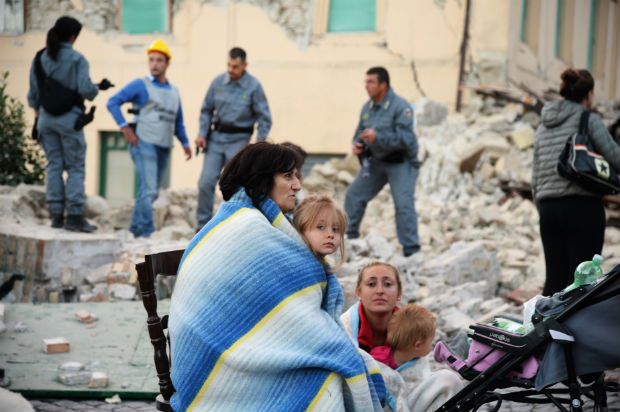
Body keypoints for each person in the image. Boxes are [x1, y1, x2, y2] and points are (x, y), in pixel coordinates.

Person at [168, 142, 385, 411]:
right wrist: (336, 349)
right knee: (329, 379)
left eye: (297, 176)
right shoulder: (249, 228)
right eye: (288, 176)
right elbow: (290, 312)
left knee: (338, 365)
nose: (297, 185)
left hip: (207, 357)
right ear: (262, 179)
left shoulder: (236, 218)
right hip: (215, 363)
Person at [532, 68, 620, 296]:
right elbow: (614, 156)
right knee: (582, 285)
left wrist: (543, 207)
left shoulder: (543, 126)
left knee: (554, 283)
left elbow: (535, 176)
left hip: (548, 210)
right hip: (582, 209)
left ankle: (545, 320)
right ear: (588, 95)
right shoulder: (588, 119)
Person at [27, 16, 112, 232]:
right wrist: (96, 88)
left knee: (54, 165)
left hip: (45, 120)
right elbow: (85, 90)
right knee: (75, 166)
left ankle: (56, 215)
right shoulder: (77, 59)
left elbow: (33, 95)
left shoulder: (40, 58)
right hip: (69, 120)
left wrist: (38, 117)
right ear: (73, 37)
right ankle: (74, 216)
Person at [106, 39, 192, 238]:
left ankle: (136, 229)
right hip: (143, 143)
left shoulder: (174, 92)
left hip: (164, 145)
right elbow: (112, 102)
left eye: (159, 60)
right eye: (151, 60)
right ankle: (146, 230)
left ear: (167, 63)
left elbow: (177, 121)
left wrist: (185, 142)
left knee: (147, 190)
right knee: (150, 190)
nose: (154, 64)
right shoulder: (140, 85)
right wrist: (124, 127)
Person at [344, 66, 420, 257]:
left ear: (383, 85)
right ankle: (349, 240)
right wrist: (358, 145)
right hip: (377, 162)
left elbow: (406, 140)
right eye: (366, 81)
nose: (366, 86)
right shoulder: (367, 108)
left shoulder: (401, 107)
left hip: (401, 162)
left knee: (403, 204)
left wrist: (378, 137)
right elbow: (359, 134)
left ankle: (411, 250)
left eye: (371, 82)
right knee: (353, 196)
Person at [195, 47, 272, 230]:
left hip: (240, 140)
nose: (230, 69)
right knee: (206, 182)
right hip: (216, 138)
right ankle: (202, 226)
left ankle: (234, 225)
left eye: (235, 66)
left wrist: (258, 143)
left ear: (245, 65)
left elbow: (264, 118)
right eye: (229, 65)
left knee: (236, 185)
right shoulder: (218, 82)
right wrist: (202, 133)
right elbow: (206, 110)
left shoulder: (254, 86)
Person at [370, 304, 463, 412]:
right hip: (401, 404)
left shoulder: (412, 357)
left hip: (411, 398)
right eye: (430, 341)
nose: (432, 345)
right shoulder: (380, 364)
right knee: (449, 380)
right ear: (417, 345)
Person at [340, 261, 402, 352]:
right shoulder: (342, 329)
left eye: (387, 284)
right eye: (371, 284)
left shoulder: (412, 328)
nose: (380, 291)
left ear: (399, 293)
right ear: (358, 292)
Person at [293, 194, 347, 270]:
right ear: (300, 229)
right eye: (321, 227)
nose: (331, 234)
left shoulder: (324, 266)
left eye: (335, 229)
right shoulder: (298, 267)